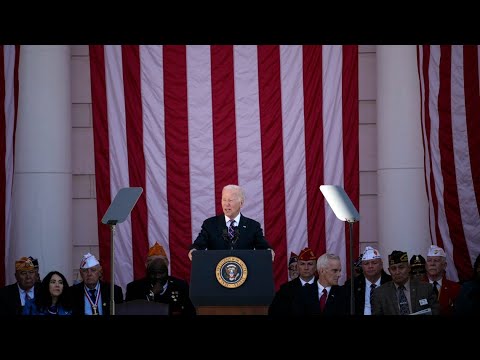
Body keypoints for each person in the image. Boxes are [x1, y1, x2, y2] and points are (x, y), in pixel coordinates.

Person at [188, 184, 274, 260]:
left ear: (241, 203)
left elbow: (263, 247)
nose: (226, 204)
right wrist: (194, 250)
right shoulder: (210, 224)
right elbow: (199, 245)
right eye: (224, 200)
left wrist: (268, 250)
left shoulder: (253, 226)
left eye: (230, 200)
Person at [126, 242, 196, 316]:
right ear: (148, 271)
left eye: (161, 272)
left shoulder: (180, 286)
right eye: (153, 273)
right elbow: (130, 312)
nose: (157, 276)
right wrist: (151, 295)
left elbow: (191, 312)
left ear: (167, 270)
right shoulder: (134, 288)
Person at [371, 250, 440, 315]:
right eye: (393, 269)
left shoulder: (426, 289)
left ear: (409, 268)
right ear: (389, 271)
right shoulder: (380, 293)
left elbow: (436, 313)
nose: (397, 272)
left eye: (401, 267)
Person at [269, 247, 317, 316]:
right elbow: (274, 312)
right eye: (302, 264)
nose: (306, 268)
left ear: (315, 267)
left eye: (310, 264)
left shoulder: (324, 285)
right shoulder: (285, 290)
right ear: (297, 267)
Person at [345, 246, 392, 315]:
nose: (370, 266)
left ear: (381, 265)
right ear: (362, 266)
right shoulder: (352, 285)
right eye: (366, 263)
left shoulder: (391, 282)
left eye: (374, 263)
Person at [425, 245, 460, 316]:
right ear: (426, 265)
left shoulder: (456, 288)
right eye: (429, 260)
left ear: (444, 265)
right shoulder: (416, 287)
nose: (432, 264)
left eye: (436, 260)